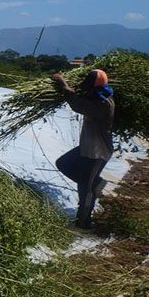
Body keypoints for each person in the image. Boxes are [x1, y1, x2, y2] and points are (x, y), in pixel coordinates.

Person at [51, 69, 115, 229]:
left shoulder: (102, 104)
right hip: (87, 148)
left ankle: (84, 221)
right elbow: (81, 97)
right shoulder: (97, 96)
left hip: (98, 152)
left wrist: (62, 83)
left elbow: (76, 103)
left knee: (86, 188)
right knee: (63, 163)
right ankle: (96, 183)